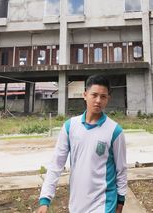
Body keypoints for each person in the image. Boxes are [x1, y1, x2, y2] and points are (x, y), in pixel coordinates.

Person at [37, 74, 127, 213]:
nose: (98, 100)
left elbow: (121, 169)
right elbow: (56, 164)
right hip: (77, 203)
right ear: (85, 95)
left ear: (108, 99)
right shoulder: (70, 126)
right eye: (94, 95)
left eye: (103, 96)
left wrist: (120, 202)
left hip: (104, 203)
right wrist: (45, 199)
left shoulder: (115, 131)